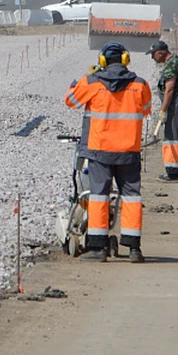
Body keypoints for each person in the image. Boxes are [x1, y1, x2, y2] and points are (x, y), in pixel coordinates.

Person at [65, 42, 152, 263]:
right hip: (128, 152)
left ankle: (98, 247)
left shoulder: (92, 82)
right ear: (125, 59)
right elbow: (146, 109)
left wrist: (79, 81)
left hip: (99, 151)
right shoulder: (140, 85)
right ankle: (134, 249)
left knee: (99, 197)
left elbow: (71, 101)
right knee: (132, 197)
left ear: (102, 61)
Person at [147, 40, 178, 182]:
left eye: (153, 55)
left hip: (175, 103)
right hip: (176, 102)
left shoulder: (171, 64)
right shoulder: (175, 61)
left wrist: (163, 110)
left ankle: (172, 172)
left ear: (161, 53)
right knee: (173, 137)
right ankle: (173, 170)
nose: (153, 58)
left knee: (172, 138)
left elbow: (169, 89)